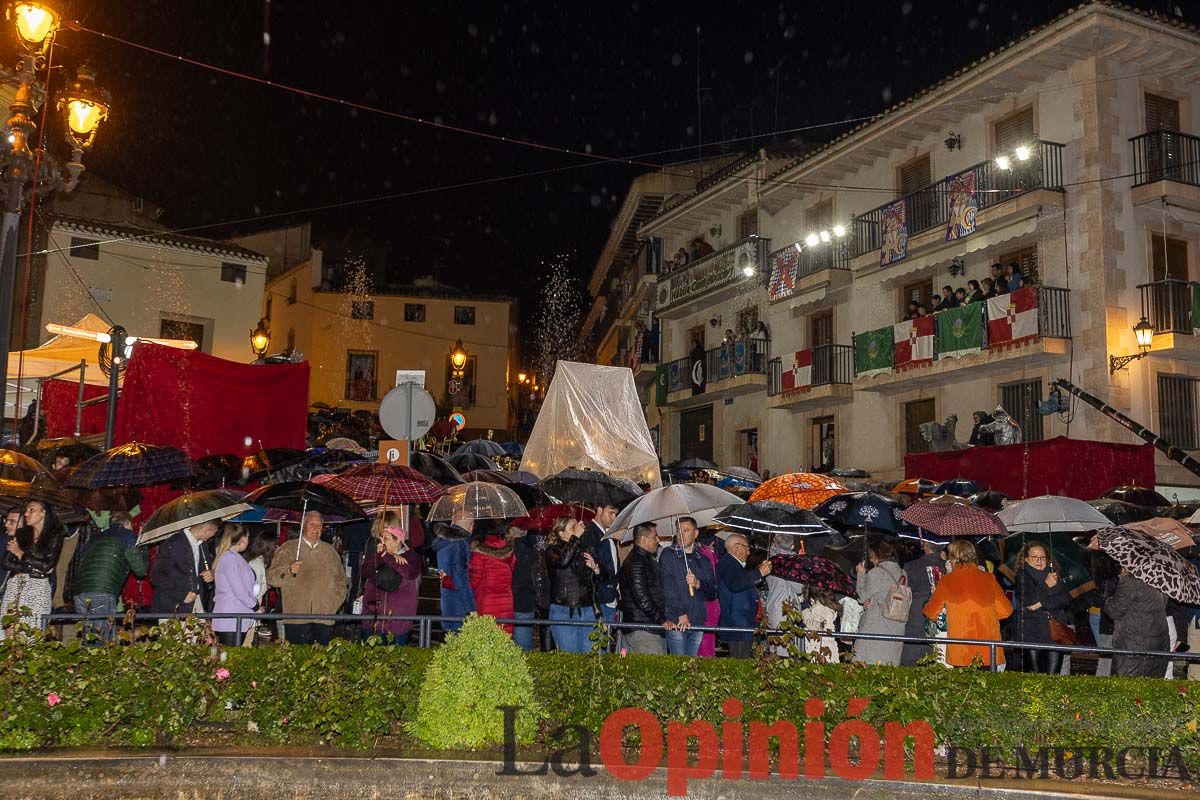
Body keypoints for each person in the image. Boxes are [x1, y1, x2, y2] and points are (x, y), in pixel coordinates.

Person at [924, 540, 1012, 668]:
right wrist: (986, 615)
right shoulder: (989, 578)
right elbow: (1006, 610)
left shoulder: (947, 580)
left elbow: (931, 613)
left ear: (952, 558)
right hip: (989, 650)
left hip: (961, 650)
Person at [266, 511, 347, 645]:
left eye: (320, 525)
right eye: (312, 524)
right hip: (296, 617)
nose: (316, 529)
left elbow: (342, 582)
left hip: (324, 617)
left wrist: (333, 604)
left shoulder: (330, 552)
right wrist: (288, 570)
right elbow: (271, 578)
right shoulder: (288, 549)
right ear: (303, 526)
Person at [73, 511, 148, 645]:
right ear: (128, 524)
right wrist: (142, 543)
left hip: (80, 591)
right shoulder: (127, 536)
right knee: (104, 641)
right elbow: (141, 570)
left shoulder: (95, 538)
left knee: (89, 637)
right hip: (102, 591)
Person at [0, 501, 65, 637]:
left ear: (43, 513)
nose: (27, 514)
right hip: (15, 584)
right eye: (26, 510)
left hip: (37, 588)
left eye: (31, 510)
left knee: (29, 632)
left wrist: (21, 555)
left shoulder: (54, 536)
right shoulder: (22, 534)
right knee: (8, 631)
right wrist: (34, 567)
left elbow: (47, 565)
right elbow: (7, 563)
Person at [361, 509, 423, 645]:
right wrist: (381, 556)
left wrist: (388, 557)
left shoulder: (411, 556)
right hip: (373, 621)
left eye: (386, 538)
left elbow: (408, 572)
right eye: (381, 538)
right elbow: (365, 571)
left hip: (398, 624)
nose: (382, 541)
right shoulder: (379, 554)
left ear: (397, 541)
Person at [1009, 542, 1072, 674]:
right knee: (1036, 677)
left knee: (1053, 676)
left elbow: (1065, 599)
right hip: (1032, 634)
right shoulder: (1022, 577)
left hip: (1054, 633)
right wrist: (1046, 585)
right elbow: (1028, 601)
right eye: (1034, 557)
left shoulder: (1053, 575)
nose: (1039, 560)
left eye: (1042, 557)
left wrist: (1040, 604)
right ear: (1025, 559)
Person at [658, 517, 717, 656]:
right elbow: (667, 588)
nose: (681, 534)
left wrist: (698, 584)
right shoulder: (669, 555)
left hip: (697, 620)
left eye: (686, 530)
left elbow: (712, 593)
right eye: (679, 530)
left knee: (692, 666)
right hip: (677, 621)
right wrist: (680, 613)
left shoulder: (703, 560)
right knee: (679, 664)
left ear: (696, 533)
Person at [546, 516, 598, 653]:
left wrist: (596, 569)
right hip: (563, 609)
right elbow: (563, 562)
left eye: (577, 526)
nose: (577, 530)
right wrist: (575, 537)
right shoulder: (552, 550)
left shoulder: (583, 548)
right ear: (561, 533)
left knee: (589, 656)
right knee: (570, 658)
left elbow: (594, 581)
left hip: (586, 609)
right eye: (572, 528)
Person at [1105, 569, 1170, 677]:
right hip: (1158, 644)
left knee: (1126, 689)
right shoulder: (1160, 581)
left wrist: (1109, 598)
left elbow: (1113, 611)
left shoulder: (1130, 581)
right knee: (1150, 688)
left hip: (1134, 645)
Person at [619, 522, 672, 654]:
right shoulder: (637, 562)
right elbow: (642, 597)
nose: (658, 540)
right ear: (644, 539)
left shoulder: (645, 559)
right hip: (644, 628)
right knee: (653, 671)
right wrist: (661, 619)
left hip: (648, 626)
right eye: (655, 537)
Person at [148, 520, 218, 618]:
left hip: (198, 603)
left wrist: (211, 573)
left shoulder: (203, 545)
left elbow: (203, 571)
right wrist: (181, 593)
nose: (213, 536)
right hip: (174, 606)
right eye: (213, 533)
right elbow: (156, 575)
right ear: (207, 530)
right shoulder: (173, 543)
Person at [853, 539, 906, 665]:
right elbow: (885, 594)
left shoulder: (877, 573)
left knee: (866, 665)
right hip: (896, 627)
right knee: (888, 668)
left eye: (871, 555)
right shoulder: (903, 573)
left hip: (876, 627)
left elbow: (861, 595)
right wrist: (871, 600)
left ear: (877, 554)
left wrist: (860, 574)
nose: (871, 559)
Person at [718, 533, 771, 659]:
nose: (748, 552)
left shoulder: (734, 564)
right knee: (741, 662)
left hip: (742, 623)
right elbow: (736, 584)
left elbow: (742, 582)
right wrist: (759, 572)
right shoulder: (728, 563)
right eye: (747, 548)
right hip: (738, 624)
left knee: (744, 659)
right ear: (736, 547)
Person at [900, 540, 946, 666]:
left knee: (909, 668)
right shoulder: (947, 567)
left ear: (925, 546)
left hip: (916, 621)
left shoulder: (911, 566)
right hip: (942, 621)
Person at [212, 524, 257, 647]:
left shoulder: (234, 558)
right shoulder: (230, 558)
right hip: (231, 617)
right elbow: (239, 590)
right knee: (229, 657)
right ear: (243, 539)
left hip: (235, 615)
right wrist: (255, 605)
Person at [469, 519, 517, 634]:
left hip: (486, 600)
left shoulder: (479, 550)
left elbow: (473, 581)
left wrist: (448, 580)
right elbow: (513, 566)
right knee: (504, 636)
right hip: (506, 599)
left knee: (487, 639)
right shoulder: (507, 548)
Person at [431, 511, 476, 632]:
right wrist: (471, 607)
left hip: (447, 600)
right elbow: (461, 577)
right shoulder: (460, 544)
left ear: (452, 522)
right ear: (472, 527)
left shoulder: (443, 543)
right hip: (459, 603)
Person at [580, 504, 620, 628]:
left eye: (616, 514)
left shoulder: (608, 534)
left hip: (609, 598)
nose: (614, 517)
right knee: (594, 644)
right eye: (611, 513)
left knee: (605, 644)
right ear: (599, 510)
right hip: (597, 600)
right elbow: (589, 566)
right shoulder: (590, 533)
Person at [511, 525, 549, 652]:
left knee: (523, 639)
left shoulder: (518, 547)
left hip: (522, 598)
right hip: (529, 599)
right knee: (525, 641)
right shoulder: (542, 548)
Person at [801, 588, 841, 661]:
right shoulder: (833, 610)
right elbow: (837, 628)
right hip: (831, 645)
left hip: (817, 645)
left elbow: (814, 626)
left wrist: (805, 612)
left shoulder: (818, 608)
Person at [0, 509, 17, 588]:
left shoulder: (33, 546)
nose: (6, 524)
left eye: (12, 521)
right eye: (6, 520)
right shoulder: (2, 540)